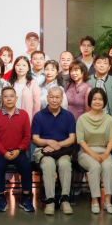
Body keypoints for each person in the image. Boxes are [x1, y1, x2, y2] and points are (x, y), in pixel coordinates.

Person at [32, 87, 77, 215]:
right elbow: (35, 139)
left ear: (62, 99)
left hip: (63, 150)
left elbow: (72, 139)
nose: (54, 100)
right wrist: (49, 142)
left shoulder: (68, 116)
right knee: (48, 164)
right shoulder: (39, 116)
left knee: (65, 164)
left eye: (57, 97)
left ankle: (65, 200)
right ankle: (50, 200)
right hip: (43, 150)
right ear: (47, 98)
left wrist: (57, 145)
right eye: (51, 97)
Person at [0, 87, 34, 213]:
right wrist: (4, 152)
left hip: (18, 151)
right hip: (0, 152)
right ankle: (1, 197)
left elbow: (27, 136)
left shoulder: (24, 114)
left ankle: (26, 198)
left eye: (11, 96)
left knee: (26, 166)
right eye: (6, 96)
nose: (9, 99)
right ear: (2, 99)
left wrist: (18, 150)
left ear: (16, 98)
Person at [76, 88, 112, 214]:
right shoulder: (82, 119)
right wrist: (92, 154)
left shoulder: (109, 119)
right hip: (86, 152)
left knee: (108, 166)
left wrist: (106, 153)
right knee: (95, 166)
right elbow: (80, 140)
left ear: (104, 101)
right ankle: (95, 200)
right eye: (94, 99)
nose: (97, 102)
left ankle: (107, 201)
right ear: (90, 101)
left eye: (100, 99)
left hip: (105, 151)